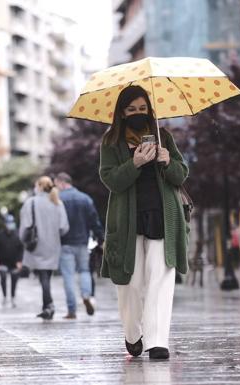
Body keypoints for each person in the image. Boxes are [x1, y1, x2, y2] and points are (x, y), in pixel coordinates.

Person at [99, 85, 189, 360]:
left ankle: (157, 341)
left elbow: (181, 174)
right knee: (130, 283)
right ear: (121, 113)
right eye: (131, 110)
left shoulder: (165, 138)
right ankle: (132, 334)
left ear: (150, 110)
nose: (138, 114)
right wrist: (135, 163)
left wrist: (166, 159)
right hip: (128, 222)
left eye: (142, 108)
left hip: (163, 217)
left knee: (161, 279)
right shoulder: (111, 142)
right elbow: (110, 179)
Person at [54, 172, 104, 319]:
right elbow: (94, 222)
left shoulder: (58, 199)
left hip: (64, 243)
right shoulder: (85, 199)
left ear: (62, 183)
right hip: (82, 242)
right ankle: (86, 295)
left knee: (68, 276)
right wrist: (100, 238)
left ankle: (72, 310)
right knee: (84, 271)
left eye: (56, 185)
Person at [19, 176, 69, 320]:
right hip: (53, 245)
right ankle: (47, 306)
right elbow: (64, 227)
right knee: (45, 275)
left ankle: (49, 306)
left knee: (43, 276)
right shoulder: (57, 203)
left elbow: (25, 226)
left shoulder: (31, 202)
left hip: (37, 245)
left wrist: (23, 240)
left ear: (39, 186)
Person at [0, 214, 24, 307]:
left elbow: (21, 249)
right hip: (3, 261)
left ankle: (13, 297)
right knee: (3, 277)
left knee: (14, 278)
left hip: (14, 262)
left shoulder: (17, 235)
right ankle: (4, 296)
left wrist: (20, 261)